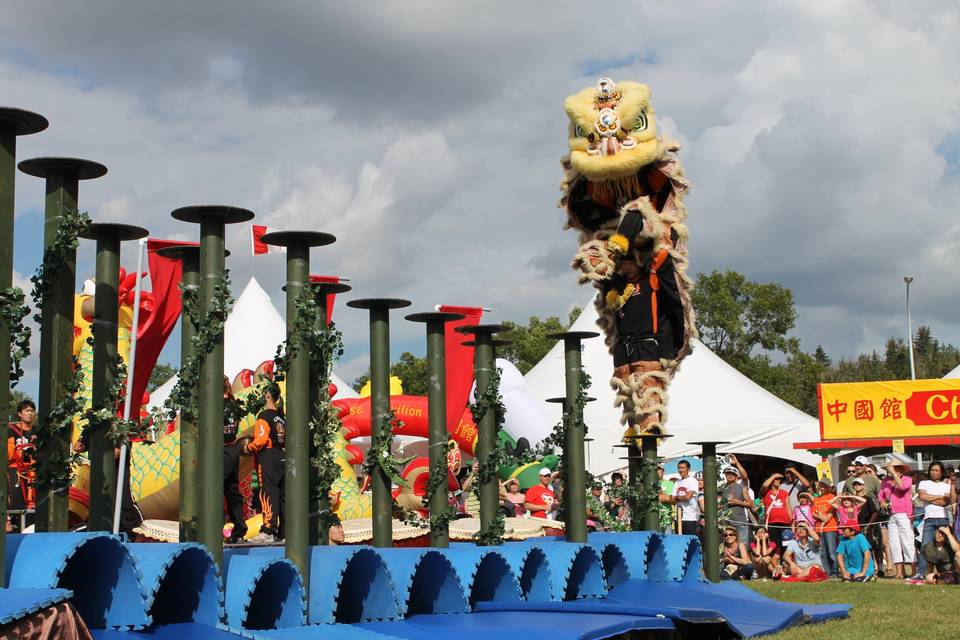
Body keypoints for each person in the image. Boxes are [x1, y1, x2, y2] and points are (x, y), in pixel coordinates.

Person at [246, 383, 286, 543]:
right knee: (282, 495)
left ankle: (268, 531)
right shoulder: (282, 416)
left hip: (268, 456)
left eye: (264, 393)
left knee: (268, 493)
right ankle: (283, 533)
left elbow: (261, 439)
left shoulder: (264, 415)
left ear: (268, 395)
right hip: (282, 456)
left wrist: (249, 447)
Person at [917, 461, 955, 579]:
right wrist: (939, 497)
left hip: (943, 518)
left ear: (941, 472)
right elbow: (922, 496)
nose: (933, 472)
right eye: (932, 470)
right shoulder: (924, 482)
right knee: (925, 546)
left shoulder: (946, 485)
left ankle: (950, 571)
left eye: (936, 470)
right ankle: (921, 573)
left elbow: (946, 502)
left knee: (947, 545)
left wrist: (930, 497)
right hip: (929, 519)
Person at [880, 460, 916, 579]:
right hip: (891, 515)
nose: (890, 470)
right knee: (894, 543)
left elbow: (902, 487)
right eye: (889, 468)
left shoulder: (907, 479)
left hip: (904, 514)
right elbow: (881, 495)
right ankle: (899, 572)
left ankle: (914, 570)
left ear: (900, 469)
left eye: (893, 468)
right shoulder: (885, 481)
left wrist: (894, 475)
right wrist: (882, 501)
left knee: (907, 541)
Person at [222, 376, 247, 543]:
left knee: (215, 488)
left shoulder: (219, 405)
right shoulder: (234, 405)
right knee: (232, 490)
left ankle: (213, 526)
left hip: (222, 448)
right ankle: (239, 528)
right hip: (233, 448)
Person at [7, 399, 36, 531]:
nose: (30, 413)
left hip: (33, 471)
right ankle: (15, 526)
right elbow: (7, 455)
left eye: (32, 411)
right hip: (16, 470)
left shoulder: (38, 432)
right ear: (20, 413)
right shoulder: (11, 431)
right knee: (16, 498)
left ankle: (32, 525)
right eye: (27, 410)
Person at [813, 480, 839, 577]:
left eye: (825, 486)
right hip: (818, 528)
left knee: (832, 552)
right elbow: (813, 513)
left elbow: (832, 511)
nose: (823, 488)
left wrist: (825, 519)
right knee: (823, 553)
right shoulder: (816, 499)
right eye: (821, 486)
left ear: (829, 487)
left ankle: (834, 572)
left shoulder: (832, 497)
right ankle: (827, 573)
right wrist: (820, 518)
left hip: (830, 527)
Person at [722, 464, 752, 545]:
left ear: (736, 476)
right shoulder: (722, 488)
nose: (730, 475)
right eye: (728, 473)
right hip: (727, 523)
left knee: (742, 546)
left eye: (733, 474)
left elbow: (750, 504)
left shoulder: (742, 488)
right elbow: (719, 504)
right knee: (729, 547)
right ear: (725, 475)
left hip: (740, 522)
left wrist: (738, 502)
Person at [669, 459, 701, 536]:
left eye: (683, 468)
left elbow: (688, 497)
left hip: (690, 518)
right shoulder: (677, 482)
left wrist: (677, 497)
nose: (681, 470)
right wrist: (680, 498)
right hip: (678, 518)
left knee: (689, 541)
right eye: (679, 468)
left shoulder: (693, 481)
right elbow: (671, 500)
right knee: (679, 541)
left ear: (688, 469)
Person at [760, 473, 792, 545]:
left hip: (785, 522)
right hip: (771, 523)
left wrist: (791, 522)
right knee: (774, 545)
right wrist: (774, 476)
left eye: (779, 479)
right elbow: (763, 486)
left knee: (786, 544)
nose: (779, 481)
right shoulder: (766, 493)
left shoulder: (784, 493)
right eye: (776, 479)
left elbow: (788, 508)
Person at [657, 464, 675, 534]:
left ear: (663, 471)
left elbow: (670, 499)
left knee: (667, 542)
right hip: (654, 520)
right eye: (655, 470)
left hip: (666, 520)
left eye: (659, 469)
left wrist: (661, 492)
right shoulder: (650, 484)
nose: (657, 472)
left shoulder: (669, 483)